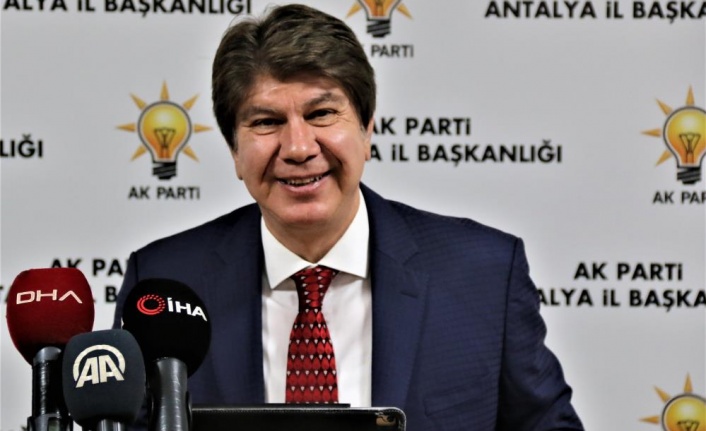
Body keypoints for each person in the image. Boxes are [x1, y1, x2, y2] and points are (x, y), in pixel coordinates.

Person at [113, 4, 584, 430]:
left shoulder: (484, 275)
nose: (298, 148)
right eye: (266, 122)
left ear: (366, 130)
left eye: (321, 113)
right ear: (235, 150)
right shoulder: (164, 283)